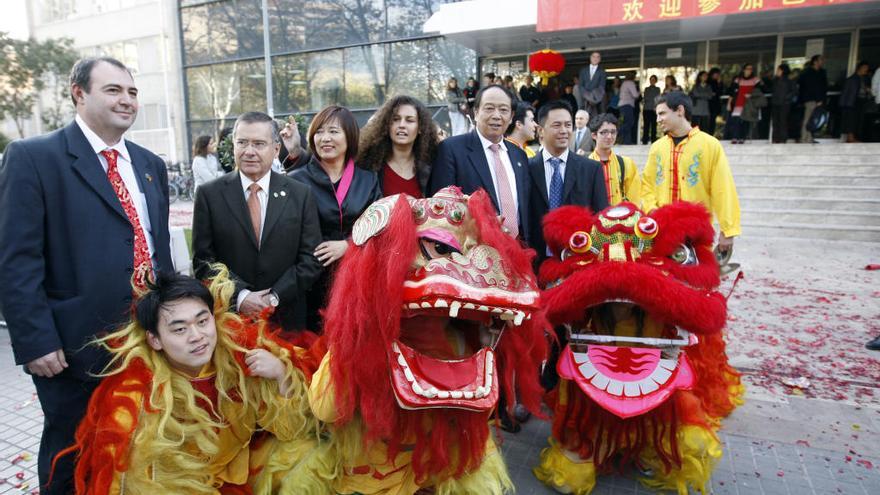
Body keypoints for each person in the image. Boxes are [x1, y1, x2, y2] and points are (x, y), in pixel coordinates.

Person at [0, 56, 173, 494]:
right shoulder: (34, 158)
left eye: (132, 92)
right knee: (71, 455)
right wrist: (36, 340)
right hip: (72, 351)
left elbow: (158, 250)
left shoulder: (150, 164)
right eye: (113, 90)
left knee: (138, 448)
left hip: (146, 340)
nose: (127, 100)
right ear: (79, 93)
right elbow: (16, 260)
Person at [60, 269, 320, 493]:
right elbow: (128, 483)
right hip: (179, 485)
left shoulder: (239, 359)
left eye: (202, 321)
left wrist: (281, 375)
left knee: (309, 456)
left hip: (236, 470)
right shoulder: (135, 400)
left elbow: (290, 430)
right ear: (155, 340)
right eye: (180, 329)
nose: (197, 336)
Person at [192, 111, 323, 332]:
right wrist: (241, 296)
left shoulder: (300, 194)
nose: (249, 151)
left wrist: (274, 297)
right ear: (233, 146)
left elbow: (311, 259)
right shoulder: (209, 195)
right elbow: (204, 262)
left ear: (276, 149)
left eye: (259, 144)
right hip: (232, 323)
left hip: (287, 321)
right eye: (242, 142)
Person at [289, 105, 381, 330]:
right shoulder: (295, 180)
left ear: (349, 137)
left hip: (356, 279)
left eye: (333, 131)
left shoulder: (368, 180)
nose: (325, 138)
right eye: (319, 132)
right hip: (310, 280)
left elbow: (380, 226)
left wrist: (349, 246)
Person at [642, 92, 741, 254]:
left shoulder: (709, 145)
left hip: (696, 232)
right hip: (661, 231)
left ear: (680, 110)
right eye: (657, 115)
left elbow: (723, 189)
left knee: (693, 277)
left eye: (662, 113)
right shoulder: (657, 148)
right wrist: (653, 211)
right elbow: (646, 185)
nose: (658, 119)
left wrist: (728, 230)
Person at [428, 84, 531, 241]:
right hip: (475, 253)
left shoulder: (519, 155)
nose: (497, 115)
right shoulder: (451, 149)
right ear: (476, 112)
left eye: (503, 110)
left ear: (511, 117)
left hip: (520, 250)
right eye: (489, 108)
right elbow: (441, 208)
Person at [527, 100, 608, 263]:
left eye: (568, 125)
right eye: (557, 125)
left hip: (579, 260)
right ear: (541, 131)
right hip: (536, 261)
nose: (564, 131)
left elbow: (601, 218)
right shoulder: (526, 169)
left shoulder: (591, 169)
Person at [357, 95, 438, 197]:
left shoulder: (433, 165)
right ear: (387, 125)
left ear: (420, 128)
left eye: (409, 120)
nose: (402, 125)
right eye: (395, 119)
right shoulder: (367, 165)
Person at [589, 114, 641, 206]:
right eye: (604, 132)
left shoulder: (626, 163)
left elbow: (634, 198)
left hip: (620, 217)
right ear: (594, 135)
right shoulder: (585, 165)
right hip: (595, 218)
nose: (609, 136)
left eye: (613, 132)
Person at [798, 54, 828, 143]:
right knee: (808, 119)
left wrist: (821, 99)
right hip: (810, 99)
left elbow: (823, 87)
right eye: (821, 60)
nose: (822, 62)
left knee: (814, 119)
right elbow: (809, 87)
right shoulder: (808, 73)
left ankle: (809, 138)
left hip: (819, 100)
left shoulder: (822, 72)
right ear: (815, 62)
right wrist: (817, 99)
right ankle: (804, 138)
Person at [727, 64, 760, 144]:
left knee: (745, 121)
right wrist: (729, 103)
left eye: (751, 69)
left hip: (748, 105)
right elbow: (731, 92)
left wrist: (751, 95)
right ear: (743, 70)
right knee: (735, 121)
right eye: (747, 69)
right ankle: (735, 137)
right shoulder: (737, 80)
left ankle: (742, 138)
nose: (749, 70)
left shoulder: (755, 80)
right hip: (737, 104)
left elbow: (759, 92)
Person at [840, 62, 871, 143]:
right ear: (860, 68)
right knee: (851, 120)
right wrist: (843, 104)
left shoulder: (864, 79)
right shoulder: (852, 79)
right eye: (865, 68)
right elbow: (845, 92)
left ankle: (852, 137)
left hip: (861, 101)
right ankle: (850, 138)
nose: (866, 70)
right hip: (852, 102)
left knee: (857, 120)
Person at [771, 64, 797, 143]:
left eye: (779, 70)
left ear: (783, 71)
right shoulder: (775, 80)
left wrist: (786, 98)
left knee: (783, 121)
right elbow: (771, 90)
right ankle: (775, 138)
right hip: (775, 103)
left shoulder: (789, 80)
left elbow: (794, 91)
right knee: (775, 121)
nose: (777, 71)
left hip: (784, 104)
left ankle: (783, 138)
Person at [618, 73, 640, 145]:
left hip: (622, 105)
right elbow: (635, 95)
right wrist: (639, 92)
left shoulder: (624, 83)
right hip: (627, 105)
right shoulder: (630, 83)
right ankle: (618, 131)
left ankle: (626, 141)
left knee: (625, 122)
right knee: (629, 123)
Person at [642, 75, 661, 144]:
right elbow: (645, 98)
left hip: (654, 110)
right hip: (646, 109)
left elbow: (658, 99)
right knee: (646, 126)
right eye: (651, 79)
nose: (652, 81)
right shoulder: (646, 89)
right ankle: (645, 141)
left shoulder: (658, 89)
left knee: (654, 126)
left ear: (656, 81)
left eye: (653, 80)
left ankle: (653, 141)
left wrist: (655, 106)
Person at [707, 68, 724, 137]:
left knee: (712, 120)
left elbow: (720, 92)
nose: (717, 76)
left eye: (718, 74)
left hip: (715, 105)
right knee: (707, 121)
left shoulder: (718, 82)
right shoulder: (709, 82)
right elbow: (711, 93)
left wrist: (719, 83)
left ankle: (711, 134)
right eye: (716, 74)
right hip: (708, 104)